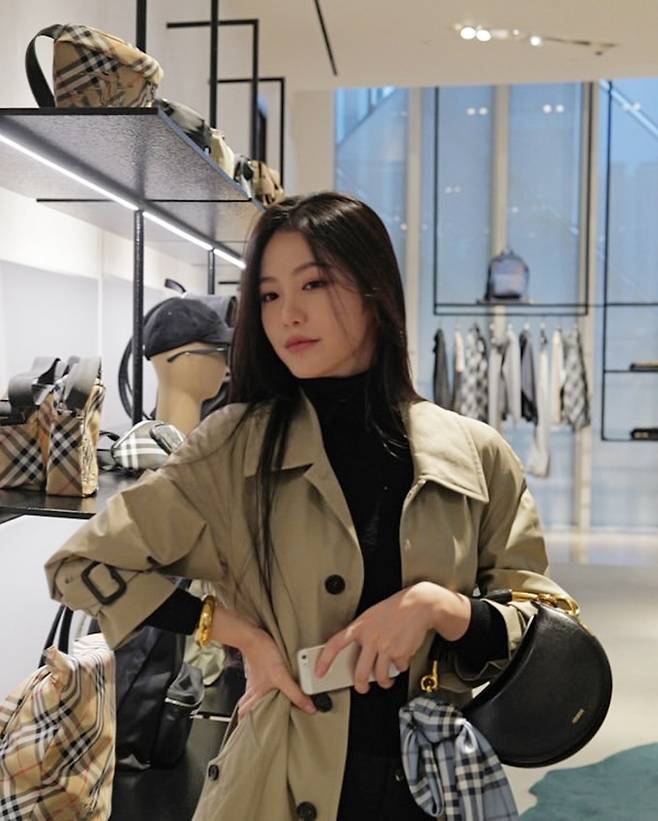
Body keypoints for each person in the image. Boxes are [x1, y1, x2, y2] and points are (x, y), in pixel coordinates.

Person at [45, 192, 569, 821]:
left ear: (376, 291)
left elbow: (544, 627)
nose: (287, 314)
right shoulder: (234, 447)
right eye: (268, 295)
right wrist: (238, 634)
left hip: (433, 786)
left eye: (314, 284)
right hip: (276, 780)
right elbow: (81, 565)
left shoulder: (476, 455)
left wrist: (441, 609)